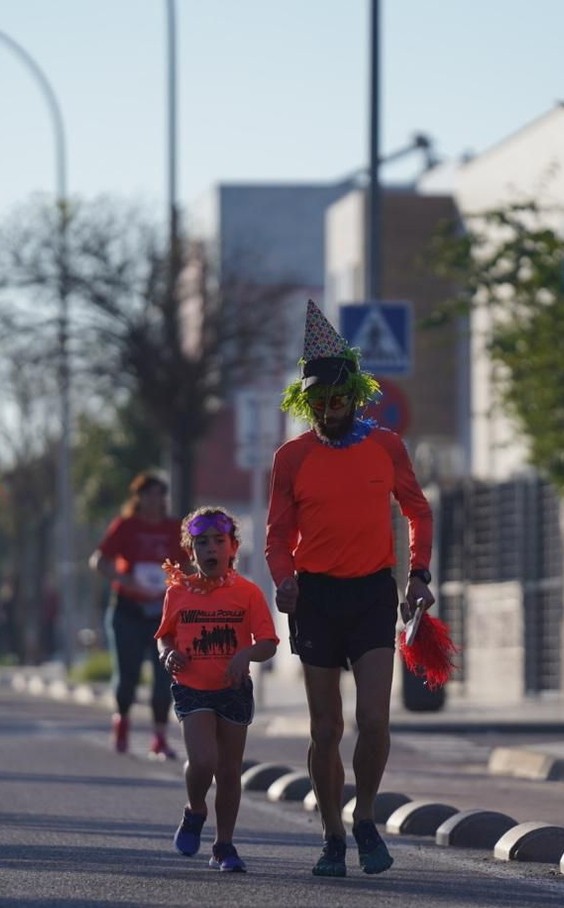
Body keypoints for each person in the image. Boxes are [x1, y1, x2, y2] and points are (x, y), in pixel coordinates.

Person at [266, 300, 435, 878]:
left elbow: (418, 511)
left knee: (376, 721)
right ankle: (333, 835)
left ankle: (365, 817)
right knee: (325, 729)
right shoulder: (290, 458)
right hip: (315, 597)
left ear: (356, 395)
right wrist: (284, 579)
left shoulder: (386, 447)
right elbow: (276, 534)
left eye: (338, 399)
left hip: (370, 593)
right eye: (318, 400)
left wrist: (419, 575)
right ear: (305, 401)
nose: (329, 409)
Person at [156, 508, 278, 873]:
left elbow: (269, 642)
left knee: (228, 771)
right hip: (193, 687)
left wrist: (246, 655)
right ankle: (195, 810)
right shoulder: (177, 593)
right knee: (203, 762)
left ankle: (224, 845)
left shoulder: (248, 593)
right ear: (190, 552)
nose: (210, 548)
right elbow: (165, 635)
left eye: (218, 541)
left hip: (233, 689)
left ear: (233, 548)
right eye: (201, 542)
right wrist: (168, 655)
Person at [90, 473, 184, 758]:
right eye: (149, 495)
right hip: (128, 610)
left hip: (163, 612)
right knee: (127, 673)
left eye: (160, 495)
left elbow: (189, 564)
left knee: (163, 675)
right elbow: (99, 560)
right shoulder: (126, 526)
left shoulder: (174, 528)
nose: (155, 501)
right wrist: (123, 579)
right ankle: (122, 722)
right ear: (138, 498)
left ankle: (159, 737)